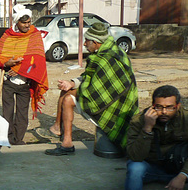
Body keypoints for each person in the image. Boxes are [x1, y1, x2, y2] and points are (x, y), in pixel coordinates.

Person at [38, 22, 138, 156]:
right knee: (67, 94)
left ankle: (60, 132)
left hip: (117, 103)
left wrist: (73, 86)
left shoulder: (107, 58)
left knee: (67, 98)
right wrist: (72, 83)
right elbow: (91, 78)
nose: (84, 44)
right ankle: (64, 139)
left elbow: (100, 88)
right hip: (107, 96)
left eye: (86, 41)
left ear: (96, 42)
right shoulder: (107, 52)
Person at [0, 4, 48, 145]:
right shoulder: (7, 36)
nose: (27, 25)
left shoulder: (35, 35)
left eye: (29, 22)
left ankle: (18, 139)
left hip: (25, 83)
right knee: (7, 113)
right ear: (17, 22)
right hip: (8, 82)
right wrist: (7, 63)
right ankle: (8, 138)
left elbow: (38, 60)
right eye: (24, 23)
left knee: (22, 113)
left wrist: (18, 68)